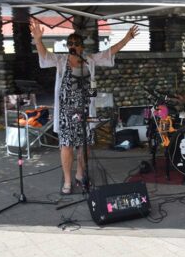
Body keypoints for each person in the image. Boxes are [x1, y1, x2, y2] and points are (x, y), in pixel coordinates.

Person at [30, 20, 139, 194]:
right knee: (66, 145)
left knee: (84, 145)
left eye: (76, 43)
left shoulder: (89, 61)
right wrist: (38, 40)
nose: (72, 46)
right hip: (66, 113)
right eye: (70, 43)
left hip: (86, 112)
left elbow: (109, 53)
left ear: (81, 47)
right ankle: (67, 180)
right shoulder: (61, 61)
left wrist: (126, 39)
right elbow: (44, 56)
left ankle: (80, 174)